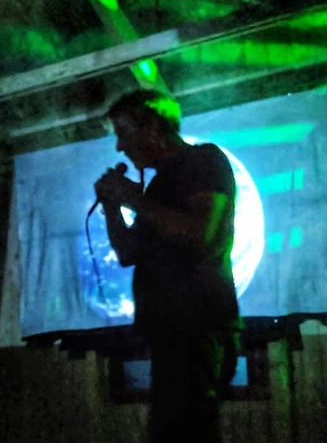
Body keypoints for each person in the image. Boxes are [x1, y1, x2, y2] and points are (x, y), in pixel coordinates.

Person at [94, 89, 242, 443]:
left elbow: (198, 234)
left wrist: (133, 198)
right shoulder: (157, 187)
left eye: (123, 133)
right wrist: (113, 206)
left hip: (200, 325)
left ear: (151, 128)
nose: (119, 147)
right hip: (172, 332)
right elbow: (128, 252)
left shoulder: (203, 160)